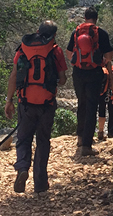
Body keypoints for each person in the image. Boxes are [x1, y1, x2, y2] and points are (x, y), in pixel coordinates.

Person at [4, 20, 68, 195]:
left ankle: (23, 167)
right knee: (43, 141)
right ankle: (40, 183)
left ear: (38, 31)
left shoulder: (23, 49)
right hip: (46, 104)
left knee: (23, 139)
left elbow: (14, 76)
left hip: (25, 103)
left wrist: (9, 100)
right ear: (54, 35)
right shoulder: (56, 51)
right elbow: (62, 80)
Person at [66, 6, 113, 157]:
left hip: (78, 73)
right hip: (94, 73)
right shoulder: (101, 33)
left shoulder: (76, 32)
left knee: (82, 104)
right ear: (96, 18)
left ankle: (80, 138)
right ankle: (87, 145)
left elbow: (69, 54)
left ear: (85, 17)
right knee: (92, 106)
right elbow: (109, 56)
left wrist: (80, 62)